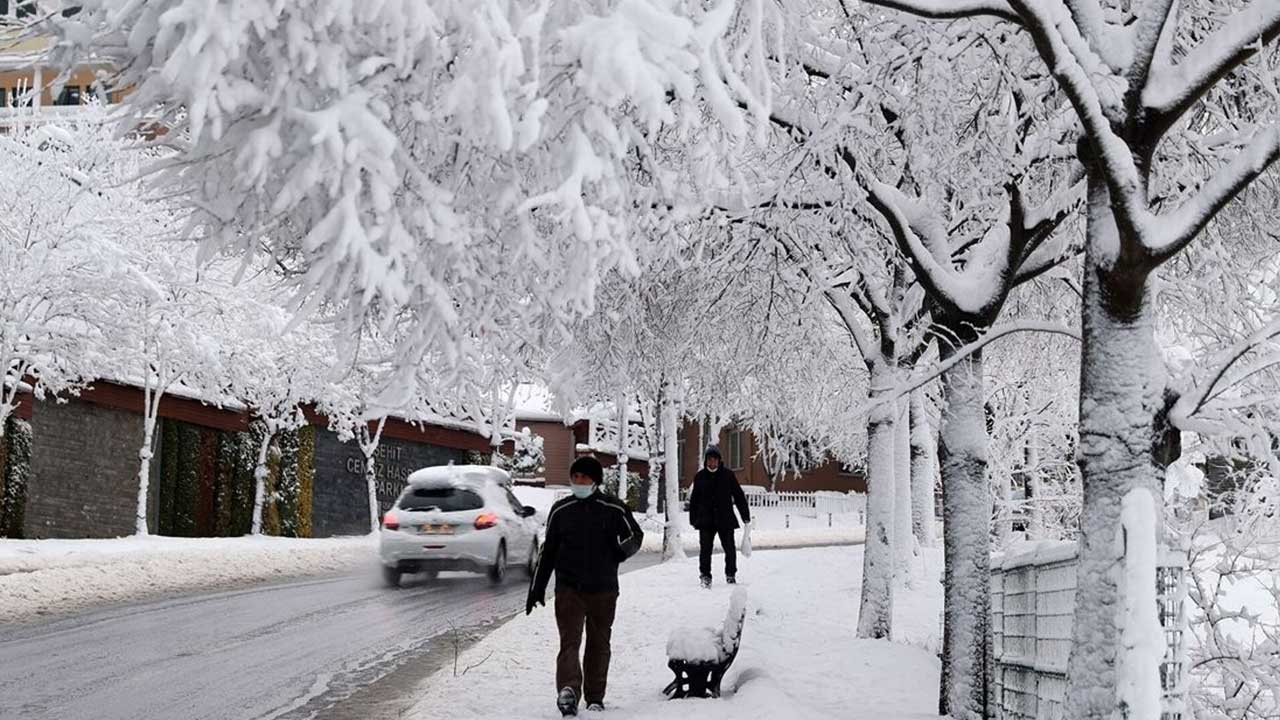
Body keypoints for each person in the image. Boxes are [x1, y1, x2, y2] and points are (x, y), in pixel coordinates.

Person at [527, 456, 643, 717]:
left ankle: (595, 696)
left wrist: (620, 552)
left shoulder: (613, 508)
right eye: (575, 477)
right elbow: (549, 551)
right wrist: (537, 587)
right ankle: (568, 691)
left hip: (604, 589)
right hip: (569, 588)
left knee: (599, 643)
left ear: (595, 481)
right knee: (570, 642)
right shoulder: (561, 510)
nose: (579, 482)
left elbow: (636, 536)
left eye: (584, 477)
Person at [688, 445, 750, 588]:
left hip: (725, 519)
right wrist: (693, 519)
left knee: (730, 549)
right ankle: (705, 576)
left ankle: (730, 575)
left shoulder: (728, 475)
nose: (712, 462)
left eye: (715, 460)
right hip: (706, 520)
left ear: (719, 461)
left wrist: (745, 516)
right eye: (710, 460)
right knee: (705, 550)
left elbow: (739, 496)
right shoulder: (700, 477)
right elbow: (694, 500)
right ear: (706, 461)